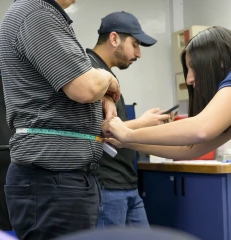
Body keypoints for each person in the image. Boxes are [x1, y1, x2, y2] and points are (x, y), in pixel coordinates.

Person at [0, 0, 121, 239]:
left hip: (59, 180)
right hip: (53, 181)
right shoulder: (36, 13)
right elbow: (85, 88)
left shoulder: (40, 14)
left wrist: (101, 90)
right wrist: (107, 77)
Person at [102, 26, 231, 159]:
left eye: (193, 67)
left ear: (220, 62)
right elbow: (188, 149)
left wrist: (129, 134)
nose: (189, 79)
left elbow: (201, 129)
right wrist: (128, 142)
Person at [86, 11, 171, 228]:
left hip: (126, 184)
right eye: (135, 44)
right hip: (107, 186)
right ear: (114, 39)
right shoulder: (89, 73)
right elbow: (97, 131)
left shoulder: (106, 74)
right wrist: (143, 122)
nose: (139, 53)